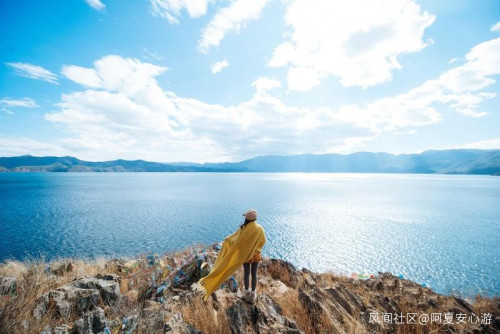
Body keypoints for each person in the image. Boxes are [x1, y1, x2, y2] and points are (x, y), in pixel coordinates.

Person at [198, 209, 266, 304]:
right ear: (255, 219)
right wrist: (255, 249)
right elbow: (263, 241)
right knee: (254, 274)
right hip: (256, 255)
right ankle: (253, 295)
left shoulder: (244, 228)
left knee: (247, 273)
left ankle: (246, 294)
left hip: (246, 256)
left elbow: (235, 239)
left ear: (246, 219)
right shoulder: (260, 229)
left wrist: (226, 240)